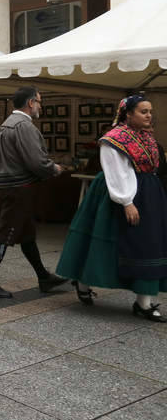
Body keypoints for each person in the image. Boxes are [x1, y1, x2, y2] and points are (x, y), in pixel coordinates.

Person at [56, 96, 167, 321]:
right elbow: (116, 171)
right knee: (105, 242)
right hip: (118, 193)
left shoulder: (146, 136)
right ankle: (85, 284)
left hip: (148, 192)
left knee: (150, 244)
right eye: (143, 111)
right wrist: (126, 201)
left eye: (150, 111)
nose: (149, 116)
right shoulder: (113, 139)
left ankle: (143, 302)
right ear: (128, 114)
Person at [0, 86, 68, 298]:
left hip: (11, 187)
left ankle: (43, 277)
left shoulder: (8, 124)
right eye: (39, 101)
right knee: (5, 234)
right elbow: (36, 161)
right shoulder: (23, 126)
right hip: (18, 189)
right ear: (30, 103)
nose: (40, 106)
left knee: (27, 235)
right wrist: (53, 168)